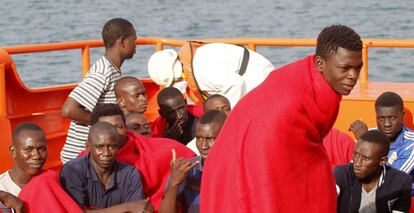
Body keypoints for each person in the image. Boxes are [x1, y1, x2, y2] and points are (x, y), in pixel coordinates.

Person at [200, 25, 363, 212]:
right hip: (245, 159)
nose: (353, 76)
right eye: (345, 68)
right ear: (320, 63)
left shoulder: (304, 75)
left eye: (358, 68)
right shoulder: (293, 101)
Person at [82, 104, 195, 211]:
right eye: (107, 127)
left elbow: (190, 158)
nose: (113, 132)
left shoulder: (154, 149)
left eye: (119, 127)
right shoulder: (81, 164)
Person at [60, 18, 138, 163]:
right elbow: (68, 110)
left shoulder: (113, 70)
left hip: (98, 152)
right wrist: (105, 125)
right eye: (134, 40)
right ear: (122, 42)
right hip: (80, 156)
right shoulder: (103, 72)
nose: (136, 45)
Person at [60, 122, 153, 212]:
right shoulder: (73, 170)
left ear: (118, 147)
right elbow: (76, 211)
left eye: (112, 146)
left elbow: (138, 209)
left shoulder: (130, 173)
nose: (106, 153)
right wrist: (126, 207)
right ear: (88, 146)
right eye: (99, 147)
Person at [147, 42, 275, 107]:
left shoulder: (201, 70)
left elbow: (235, 84)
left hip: (258, 80)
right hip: (256, 74)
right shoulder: (196, 60)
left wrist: (226, 119)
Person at [0, 123, 82, 213]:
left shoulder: (51, 181)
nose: (37, 156)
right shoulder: (2, 187)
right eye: (28, 149)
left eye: (41, 149)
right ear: (13, 152)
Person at [159, 110, 227, 213]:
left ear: (226, 136)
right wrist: (174, 182)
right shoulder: (186, 170)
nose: (203, 146)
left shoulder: (238, 170)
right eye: (199, 138)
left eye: (211, 139)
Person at [349, 91, 414, 194]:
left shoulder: (411, 144)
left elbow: (391, 182)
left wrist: (366, 141)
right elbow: (353, 173)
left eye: (392, 118)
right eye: (381, 118)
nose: (387, 124)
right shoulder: (369, 134)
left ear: (402, 116)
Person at [334, 130, 411, 213]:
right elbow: (324, 204)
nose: (357, 163)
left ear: (382, 161)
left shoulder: (400, 182)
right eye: (356, 154)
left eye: (365, 158)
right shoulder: (341, 174)